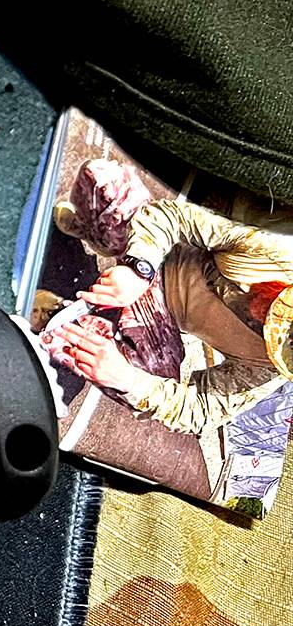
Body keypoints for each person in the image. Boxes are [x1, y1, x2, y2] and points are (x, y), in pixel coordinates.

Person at [52, 159, 293, 434]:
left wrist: (129, 379)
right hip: (163, 256)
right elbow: (173, 217)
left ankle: (65, 320)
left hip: (159, 314)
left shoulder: (270, 368)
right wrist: (139, 268)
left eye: (269, 332)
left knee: (140, 374)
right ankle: (100, 235)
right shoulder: (277, 249)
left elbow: (200, 412)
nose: (260, 314)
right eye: (276, 307)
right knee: (104, 180)